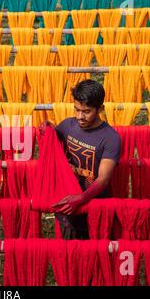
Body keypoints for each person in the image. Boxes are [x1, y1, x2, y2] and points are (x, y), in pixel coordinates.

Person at [41, 79, 121, 239]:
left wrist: (80, 199)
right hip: (68, 205)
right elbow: (52, 151)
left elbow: (103, 179)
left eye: (86, 111)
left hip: (94, 204)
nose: (80, 116)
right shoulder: (66, 126)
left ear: (100, 109)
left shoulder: (111, 138)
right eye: (76, 110)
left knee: (96, 251)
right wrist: (46, 131)